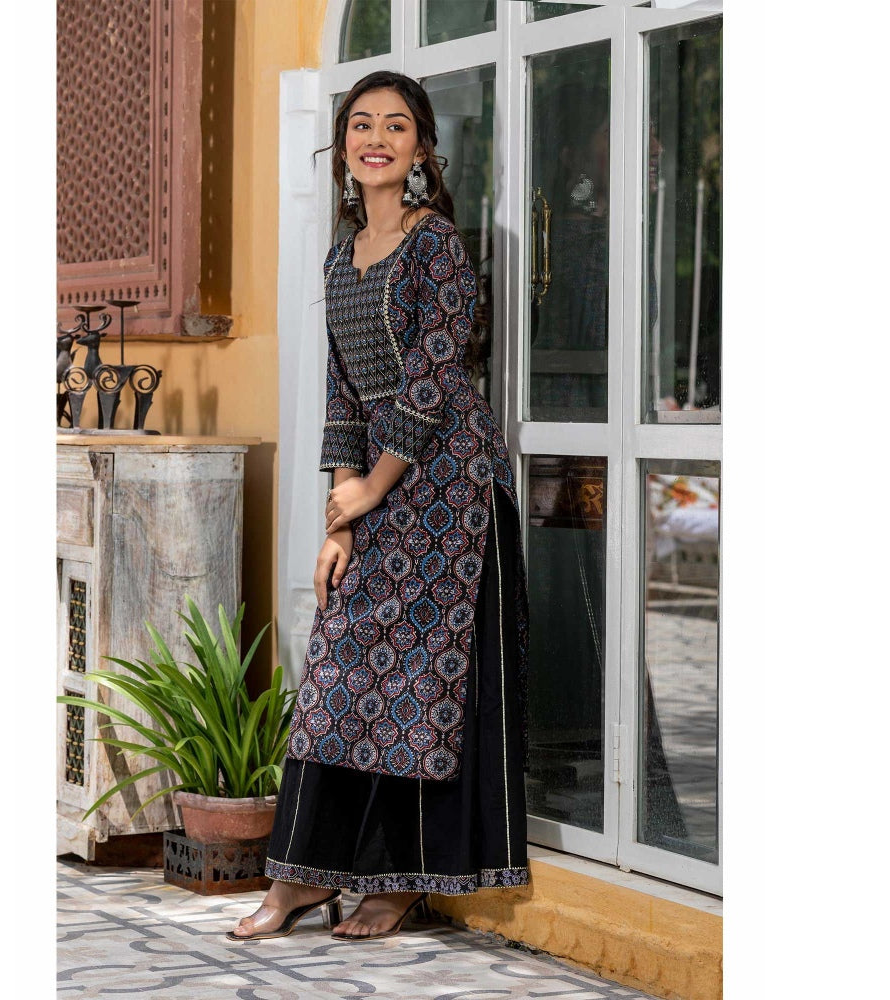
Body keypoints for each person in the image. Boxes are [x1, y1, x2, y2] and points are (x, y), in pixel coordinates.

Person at [228, 71, 531, 943]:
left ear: (422, 148)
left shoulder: (437, 247)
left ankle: (402, 882)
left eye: (396, 126)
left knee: (420, 689)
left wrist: (374, 485)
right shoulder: (341, 256)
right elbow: (342, 394)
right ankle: (299, 879)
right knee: (336, 678)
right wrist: (343, 515)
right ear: (342, 148)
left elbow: (435, 377)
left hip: (452, 491)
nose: (377, 139)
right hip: (381, 490)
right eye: (361, 124)